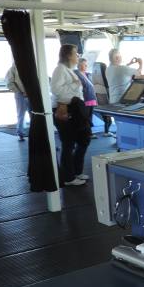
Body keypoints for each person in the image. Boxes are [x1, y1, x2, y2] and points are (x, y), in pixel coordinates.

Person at [51, 44, 90, 187]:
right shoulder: (60, 69)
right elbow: (56, 89)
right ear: (68, 55)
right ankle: (68, 177)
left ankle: (76, 171)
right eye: (76, 54)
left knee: (84, 139)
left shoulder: (69, 70)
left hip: (75, 108)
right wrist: (73, 89)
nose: (78, 56)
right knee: (68, 143)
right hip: (66, 108)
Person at [75, 58, 98, 139]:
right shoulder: (77, 73)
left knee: (89, 117)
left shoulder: (86, 74)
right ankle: (86, 134)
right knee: (85, 118)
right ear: (80, 65)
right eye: (85, 64)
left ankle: (89, 133)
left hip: (91, 98)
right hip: (85, 99)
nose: (86, 66)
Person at [5, 63, 29, 141]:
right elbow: (9, 82)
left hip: (32, 94)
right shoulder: (14, 67)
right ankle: (20, 133)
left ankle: (36, 132)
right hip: (20, 94)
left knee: (34, 114)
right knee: (21, 114)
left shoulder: (31, 64)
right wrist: (20, 91)